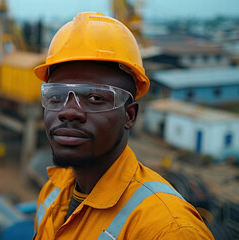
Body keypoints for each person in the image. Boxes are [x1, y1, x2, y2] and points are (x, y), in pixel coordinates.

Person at [32, 12, 214, 239]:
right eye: (56, 96)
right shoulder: (53, 191)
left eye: (95, 98)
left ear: (129, 115)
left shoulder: (168, 229)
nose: (69, 111)